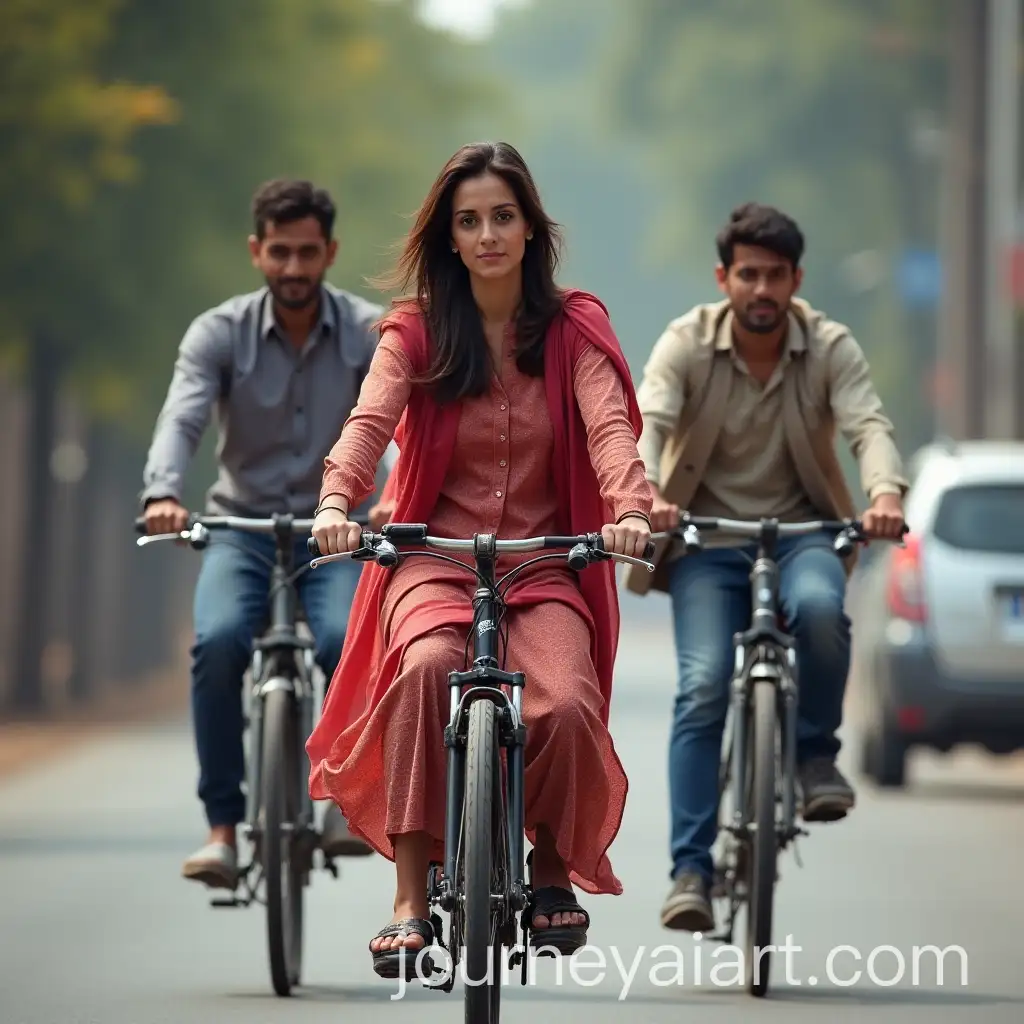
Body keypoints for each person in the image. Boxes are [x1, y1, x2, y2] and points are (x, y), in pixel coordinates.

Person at [306, 141, 654, 979]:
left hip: (544, 564)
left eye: (503, 216)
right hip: (433, 558)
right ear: (451, 238)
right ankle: (408, 899)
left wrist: (631, 510)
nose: (488, 235)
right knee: (425, 671)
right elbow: (369, 423)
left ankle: (549, 870)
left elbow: (609, 429)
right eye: (469, 222)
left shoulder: (574, 329)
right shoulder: (415, 332)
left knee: (566, 701)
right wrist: (335, 502)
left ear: (532, 228)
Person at [622, 202, 908, 933]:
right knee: (702, 685)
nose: (761, 289)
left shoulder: (829, 345)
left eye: (775, 276)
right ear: (723, 278)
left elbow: (867, 424)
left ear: (795, 281)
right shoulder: (686, 342)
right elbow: (650, 422)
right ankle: (691, 870)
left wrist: (883, 494)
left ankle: (813, 755)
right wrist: (646, 494)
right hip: (706, 541)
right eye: (747, 274)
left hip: (803, 534)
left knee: (821, 611)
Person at [141, 178, 394, 888]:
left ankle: (342, 799)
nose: (293, 267)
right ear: (256, 251)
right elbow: (183, 416)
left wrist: (393, 491)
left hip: (335, 532)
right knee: (218, 643)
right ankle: (222, 828)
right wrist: (162, 492)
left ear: (330, 252)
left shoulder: (369, 334)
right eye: (279, 252)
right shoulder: (218, 333)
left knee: (346, 642)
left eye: (307, 252)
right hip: (240, 527)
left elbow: (397, 420)